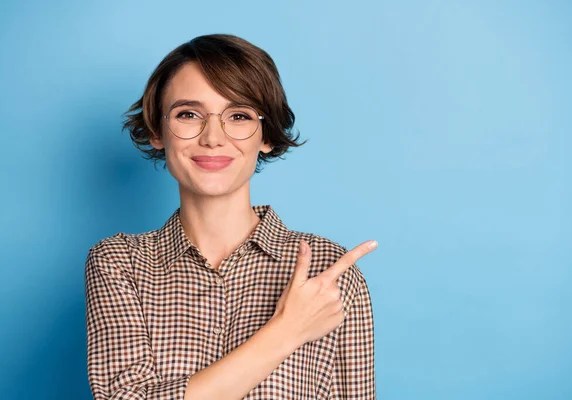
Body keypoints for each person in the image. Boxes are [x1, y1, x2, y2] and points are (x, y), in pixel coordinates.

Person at [84, 33, 378, 400]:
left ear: (266, 135)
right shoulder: (119, 262)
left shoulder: (329, 274)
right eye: (188, 114)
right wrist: (288, 331)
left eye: (238, 115)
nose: (213, 137)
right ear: (158, 132)